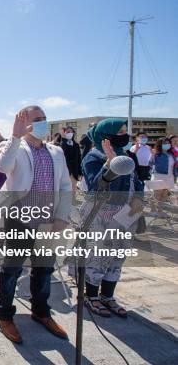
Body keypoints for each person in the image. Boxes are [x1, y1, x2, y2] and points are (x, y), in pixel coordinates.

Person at [0, 105, 72, 344]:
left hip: (47, 221)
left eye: (45, 119)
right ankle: (5, 315)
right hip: (19, 218)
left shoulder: (56, 151)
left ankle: (41, 311)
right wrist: (15, 136)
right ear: (23, 122)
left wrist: (62, 215)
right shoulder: (12, 146)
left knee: (44, 269)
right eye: (37, 119)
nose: (43, 123)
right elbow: (2, 167)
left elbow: (65, 185)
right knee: (12, 269)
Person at [80, 119, 144, 318]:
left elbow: (136, 180)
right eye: (120, 131)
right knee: (98, 256)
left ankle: (108, 296)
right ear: (105, 135)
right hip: (101, 214)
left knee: (118, 256)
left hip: (126, 215)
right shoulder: (93, 157)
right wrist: (109, 164)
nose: (124, 135)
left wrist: (138, 198)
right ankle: (91, 296)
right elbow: (95, 186)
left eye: (126, 131)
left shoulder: (126, 155)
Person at [149, 137, 176, 216]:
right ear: (160, 144)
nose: (167, 145)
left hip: (170, 177)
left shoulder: (171, 154)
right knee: (157, 195)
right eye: (164, 143)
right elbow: (150, 164)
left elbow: (173, 166)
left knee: (164, 195)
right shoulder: (156, 154)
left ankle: (160, 211)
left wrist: (175, 176)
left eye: (168, 143)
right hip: (159, 176)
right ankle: (153, 210)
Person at [57, 127, 82, 192]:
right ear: (64, 133)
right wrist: (64, 139)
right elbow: (62, 152)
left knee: (73, 190)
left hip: (74, 172)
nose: (70, 133)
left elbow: (79, 158)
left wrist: (80, 172)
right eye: (68, 132)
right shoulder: (61, 143)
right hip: (65, 171)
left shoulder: (76, 145)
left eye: (71, 132)